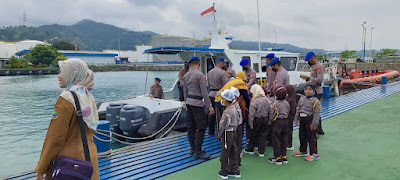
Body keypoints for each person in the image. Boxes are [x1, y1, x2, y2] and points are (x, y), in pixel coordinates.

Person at [35, 59, 99, 180]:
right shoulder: (87, 96)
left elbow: (55, 138)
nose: (58, 76)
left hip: (70, 165)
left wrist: (41, 168)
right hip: (89, 160)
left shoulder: (66, 98)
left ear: (72, 74)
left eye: (62, 73)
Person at [183, 56, 215, 160]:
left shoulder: (186, 75)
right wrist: (209, 105)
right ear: (199, 64)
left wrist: (186, 103)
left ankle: (193, 149)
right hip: (197, 103)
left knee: (191, 127)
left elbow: (185, 92)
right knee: (201, 127)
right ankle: (198, 151)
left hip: (189, 102)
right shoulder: (200, 75)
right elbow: (204, 92)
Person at [215, 72, 251, 141]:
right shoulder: (241, 83)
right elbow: (246, 96)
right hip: (225, 101)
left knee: (221, 121)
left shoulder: (233, 81)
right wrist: (248, 107)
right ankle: (230, 137)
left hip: (218, 99)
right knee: (229, 121)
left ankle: (220, 136)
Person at [293, 82, 321, 161]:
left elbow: (317, 113)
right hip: (302, 119)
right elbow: (298, 109)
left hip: (310, 119)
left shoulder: (316, 101)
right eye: (306, 89)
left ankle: (314, 154)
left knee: (311, 137)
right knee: (302, 135)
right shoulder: (302, 98)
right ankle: (303, 151)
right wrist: (296, 119)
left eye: (310, 90)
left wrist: (314, 124)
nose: (307, 91)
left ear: (314, 91)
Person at [300, 51, 325, 135]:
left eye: (309, 61)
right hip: (312, 90)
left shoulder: (319, 67)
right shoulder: (314, 66)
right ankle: (319, 129)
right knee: (315, 111)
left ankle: (316, 130)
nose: (308, 63)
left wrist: (308, 78)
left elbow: (320, 80)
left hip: (316, 91)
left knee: (314, 112)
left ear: (312, 58)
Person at [218, 89, 241, 179]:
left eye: (222, 98)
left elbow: (222, 125)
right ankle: (234, 169)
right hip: (234, 131)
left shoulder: (227, 111)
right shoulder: (235, 108)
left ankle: (224, 171)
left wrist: (219, 135)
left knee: (225, 151)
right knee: (233, 150)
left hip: (227, 133)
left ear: (226, 99)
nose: (221, 99)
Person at [244, 84, 271, 157]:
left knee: (253, 135)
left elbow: (251, 114)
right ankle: (261, 151)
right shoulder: (266, 99)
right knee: (263, 135)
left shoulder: (254, 101)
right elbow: (270, 110)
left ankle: (250, 149)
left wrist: (251, 123)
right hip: (265, 118)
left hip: (257, 119)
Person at [268, 86, 290, 165]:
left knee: (276, 139)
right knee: (284, 139)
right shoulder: (287, 103)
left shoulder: (275, 104)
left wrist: (270, 121)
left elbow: (272, 115)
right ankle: (284, 156)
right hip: (285, 121)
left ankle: (277, 157)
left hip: (277, 122)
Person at [207, 57, 229, 135]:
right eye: (225, 64)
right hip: (219, 94)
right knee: (220, 114)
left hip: (211, 94)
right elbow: (226, 85)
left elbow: (209, 85)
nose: (225, 66)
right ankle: (220, 132)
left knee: (211, 113)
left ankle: (210, 131)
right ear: (222, 63)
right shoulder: (223, 73)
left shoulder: (209, 72)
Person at [230, 87, 246, 168]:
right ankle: (237, 162)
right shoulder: (239, 103)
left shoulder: (231, 106)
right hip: (239, 125)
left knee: (232, 145)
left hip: (233, 127)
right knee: (238, 144)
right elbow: (244, 113)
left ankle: (233, 164)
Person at [284, 85, 297, 150]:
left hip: (289, 116)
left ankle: (289, 144)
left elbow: (292, 110)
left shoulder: (290, 100)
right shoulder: (292, 98)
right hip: (290, 116)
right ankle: (288, 143)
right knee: (288, 130)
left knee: (288, 130)